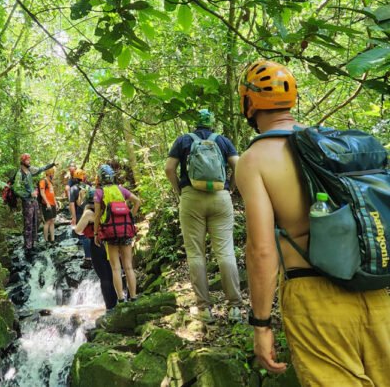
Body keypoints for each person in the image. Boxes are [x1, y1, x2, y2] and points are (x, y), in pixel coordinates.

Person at [235, 60, 390, 384]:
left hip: (315, 299)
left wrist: (261, 324)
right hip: (376, 291)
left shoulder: (255, 160)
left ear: (249, 104)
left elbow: (262, 252)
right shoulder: (328, 145)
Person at [165, 109, 243, 322]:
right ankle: (235, 308)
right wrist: (232, 187)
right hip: (220, 196)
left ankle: (204, 310)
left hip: (191, 198)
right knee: (226, 252)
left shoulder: (183, 141)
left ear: (195, 124)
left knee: (195, 254)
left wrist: (178, 190)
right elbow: (238, 165)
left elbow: (169, 168)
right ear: (212, 123)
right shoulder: (223, 141)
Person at [93, 164, 141, 303]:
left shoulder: (99, 192)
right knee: (129, 266)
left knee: (115, 268)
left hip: (110, 233)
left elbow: (97, 215)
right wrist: (130, 218)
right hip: (125, 231)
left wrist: (96, 234)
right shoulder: (121, 190)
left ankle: (120, 298)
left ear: (101, 178)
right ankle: (133, 296)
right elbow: (137, 201)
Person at [12, 153, 56, 255]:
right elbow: (16, 189)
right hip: (27, 202)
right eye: (27, 160)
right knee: (28, 224)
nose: (29, 162)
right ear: (23, 161)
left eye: (29, 160)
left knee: (36, 221)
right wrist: (28, 193)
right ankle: (28, 248)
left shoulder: (30, 170)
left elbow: (40, 169)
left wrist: (52, 164)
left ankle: (32, 244)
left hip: (34, 201)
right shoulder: (20, 173)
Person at [69, 168, 92, 269]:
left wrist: (73, 217)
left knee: (83, 236)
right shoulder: (89, 187)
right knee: (91, 234)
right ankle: (94, 256)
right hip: (89, 213)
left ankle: (88, 259)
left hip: (79, 214)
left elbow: (71, 204)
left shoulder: (73, 188)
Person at [39, 167, 57, 243]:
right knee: (47, 221)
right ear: (49, 174)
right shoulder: (43, 181)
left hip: (52, 204)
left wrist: (56, 203)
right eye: (53, 173)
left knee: (52, 221)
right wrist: (47, 203)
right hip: (46, 205)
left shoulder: (50, 182)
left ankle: (52, 239)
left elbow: (52, 194)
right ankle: (46, 240)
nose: (53, 175)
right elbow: (42, 193)